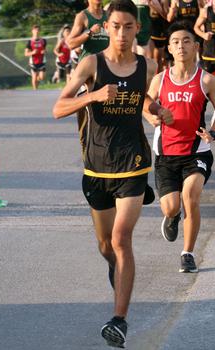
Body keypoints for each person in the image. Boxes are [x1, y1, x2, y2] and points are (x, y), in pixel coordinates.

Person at [53, 1, 171, 347]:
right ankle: (116, 270)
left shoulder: (148, 66)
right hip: (96, 165)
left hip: (133, 162)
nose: (122, 33)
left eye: (128, 27)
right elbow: (58, 107)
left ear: (138, 29)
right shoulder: (92, 64)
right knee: (105, 245)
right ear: (106, 26)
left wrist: (156, 110)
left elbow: (145, 101)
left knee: (121, 240)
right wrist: (92, 96)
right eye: (116, 26)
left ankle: (119, 321)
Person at [145, 20, 215, 274]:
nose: (181, 46)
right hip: (166, 153)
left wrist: (212, 132)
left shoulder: (207, 80)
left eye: (187, 41)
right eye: (176, 42)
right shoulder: (160, 79)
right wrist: (152, 117)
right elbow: (146, 103)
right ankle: (172, 216)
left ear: (196, 46)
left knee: (190, 197)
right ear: (169, 48)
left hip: (197, 152)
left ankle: (187, 253)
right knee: (171, 206)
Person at [25, 24, 47, 90]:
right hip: (33, 62)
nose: (36, 31)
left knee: (42, 77)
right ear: (32, 31)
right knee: (34, 77)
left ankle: (37, 80)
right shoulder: (29, 42)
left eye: (38, 30)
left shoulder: (43, 41)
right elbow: (26, 53)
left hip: (42, 61)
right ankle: (35, 91)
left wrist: (44, 51)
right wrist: (32, 52)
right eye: (35, 30)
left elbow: (45, 50)